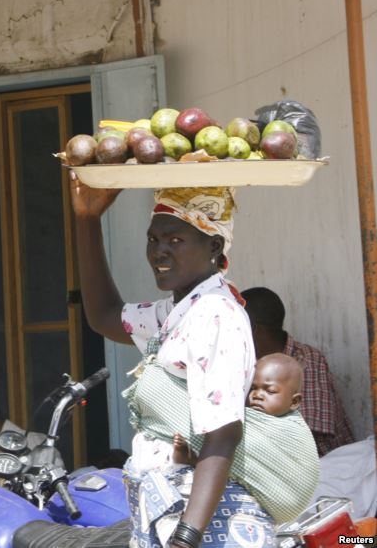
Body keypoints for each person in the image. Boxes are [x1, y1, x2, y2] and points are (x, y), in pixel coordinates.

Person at [71, 182, 316, 548]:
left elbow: (222, 433)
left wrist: (187, 536)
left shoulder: (215, 314)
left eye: (175, 240)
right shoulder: (180, 310)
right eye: (153, 240)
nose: (159, 252)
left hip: (209, 520)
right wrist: (88, 220)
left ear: (214, 246)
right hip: (178, 508)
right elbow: (105, 317)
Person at [240, 287, 355, 456]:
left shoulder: (306, 360)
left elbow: (310, 434)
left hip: (324, 463)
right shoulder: (243, 361)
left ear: (254, 328)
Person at [173, 353, 303, 465]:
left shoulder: (293, 432)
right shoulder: (242, 417)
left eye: (270, 391)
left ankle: (195, 460)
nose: (257, 395)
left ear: (294, 402)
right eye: (252, 388)